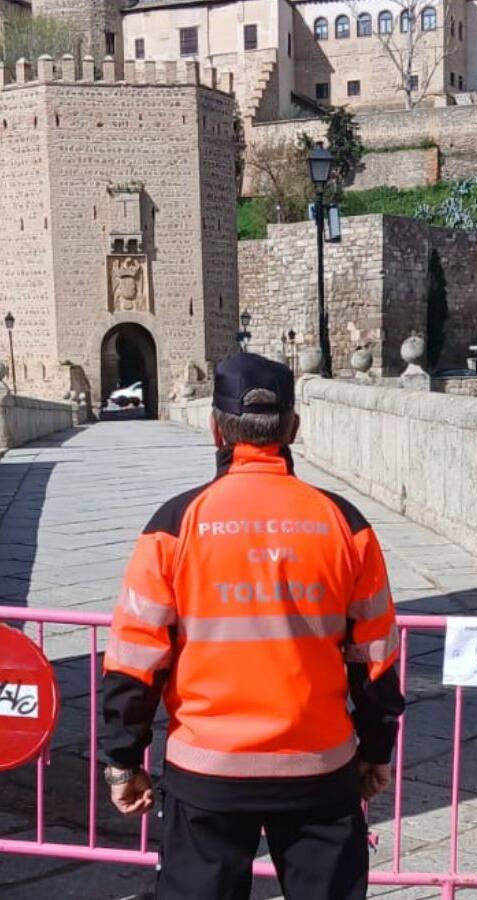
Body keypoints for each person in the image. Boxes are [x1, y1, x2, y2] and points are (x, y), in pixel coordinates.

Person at [100, 353, 405, 900]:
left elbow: (135, 656)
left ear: (215, 427)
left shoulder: (173, 526)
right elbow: (375, 654)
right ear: (293, 427)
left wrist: (124, 760)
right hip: (318, 766)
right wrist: (377, 748)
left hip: (208, 771)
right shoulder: (345, 523)